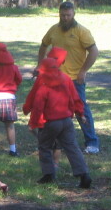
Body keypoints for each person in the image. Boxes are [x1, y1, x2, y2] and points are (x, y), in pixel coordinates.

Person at [37, 1, 100, 154]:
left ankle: (92, 142)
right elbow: (44, 45)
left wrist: (83, 71)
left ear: (74, 14)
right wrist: (41, 66)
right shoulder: (54, 30)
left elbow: (94, 51)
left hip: (74, 78)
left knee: (81, 109)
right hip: (54, 78)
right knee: (56, 110)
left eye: (68, 15)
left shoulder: (81, 31)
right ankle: (57, 143)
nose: (65, 18)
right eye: (62, 15)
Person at [29, 58, 92, 189]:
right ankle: (84, 174)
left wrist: (34, 123)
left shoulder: (44, 87)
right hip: (67, 120)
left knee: (45, 146)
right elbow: (75, 97)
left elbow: (38, 107)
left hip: (51, 122)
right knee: (72, 147)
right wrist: (81, 113)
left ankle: (48, 175)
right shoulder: (66, 79)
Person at [24, 46, 67, 168]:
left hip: (46, 116)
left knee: (45, 142)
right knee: (57, 142)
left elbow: (34, 96)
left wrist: (27, 109)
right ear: (62, 62)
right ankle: (56, 164)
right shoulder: (65, 78)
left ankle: (48, 166)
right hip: (62, 116)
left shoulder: (42, 77)